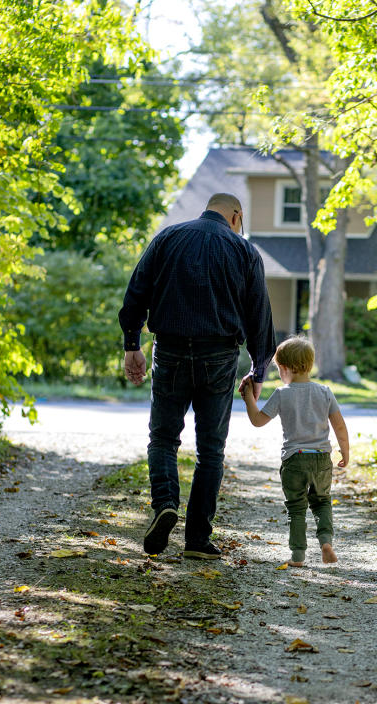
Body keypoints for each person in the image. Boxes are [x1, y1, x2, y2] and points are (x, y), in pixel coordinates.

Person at [119, 193, 276, 559]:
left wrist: (132, 344)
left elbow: (136, 292)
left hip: (170, 349)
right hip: (219, 355)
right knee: (210, 450)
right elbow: (259, 315)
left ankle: (165, 504)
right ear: (236, 216)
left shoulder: (168, 238)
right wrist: (259, 369)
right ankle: (197, 541)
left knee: (162, 437)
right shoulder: (244, 251)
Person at [240, 336, 350, 566]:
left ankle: (298, 555)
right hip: (321, 459)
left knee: (297, 508)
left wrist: (248, 397)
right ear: (309, 365)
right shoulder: (325, 392)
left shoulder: (282, 394)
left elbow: (258, 421)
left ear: (285, 368)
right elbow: (339, 425)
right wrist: (345, 451)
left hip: (294, 460)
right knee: (322, 501)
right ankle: (326, 542)